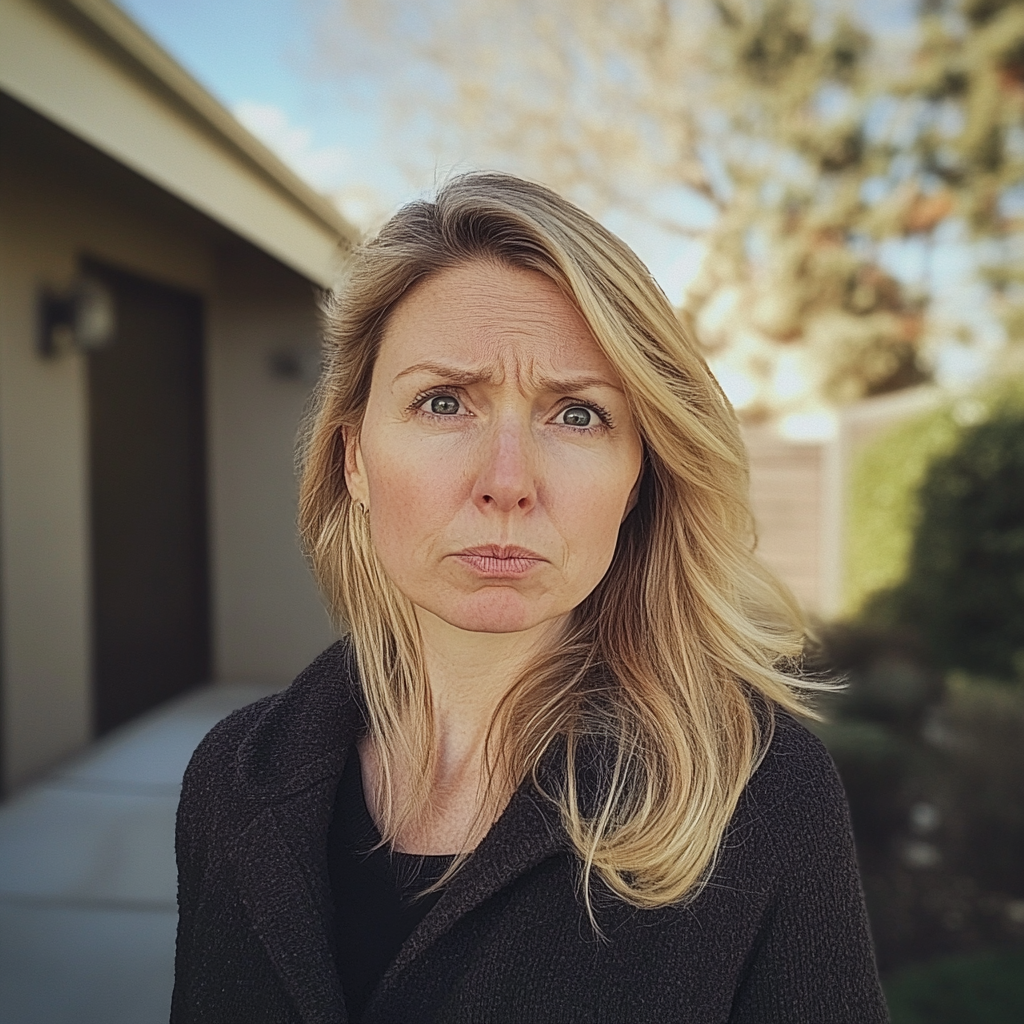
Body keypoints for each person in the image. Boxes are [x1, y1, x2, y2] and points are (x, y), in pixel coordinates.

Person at [171, 172, 888, 1024]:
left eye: (578, 415)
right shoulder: (231, 781)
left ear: (639, 477)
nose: (507, 483)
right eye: (444, 402)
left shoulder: (762, 799)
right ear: (355, 458)